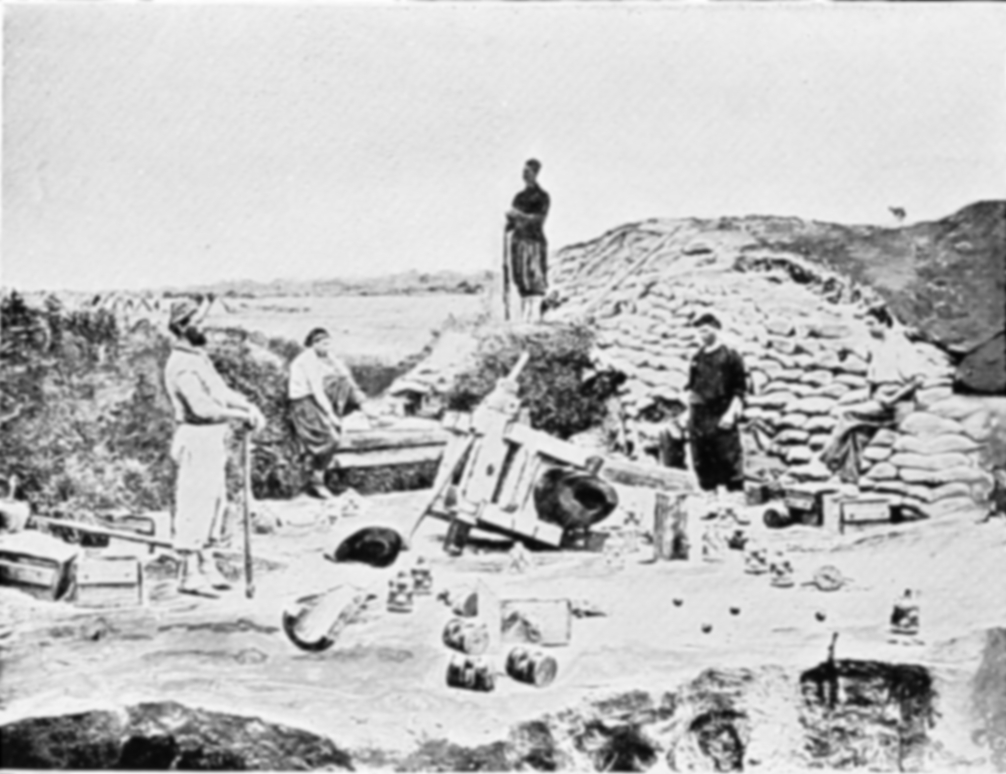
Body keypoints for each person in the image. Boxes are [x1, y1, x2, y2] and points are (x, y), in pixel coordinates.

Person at [163, 296, 266, 597]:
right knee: (194, 504)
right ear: (182, 326)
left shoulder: (198, 358)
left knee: (214, 502)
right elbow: (203, 408)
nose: (204, 327)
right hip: (195, 438)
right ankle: (189, 574)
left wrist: (248, 406)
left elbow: (220, 392)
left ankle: (207, 565)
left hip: (211, 439)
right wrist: (240, 416)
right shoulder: (182, 364)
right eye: (198, 323)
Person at [820, 306, 924, 483]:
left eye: (871, 324)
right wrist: (847, 349)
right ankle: (848, 477)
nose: (868, 328)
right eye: (866, 324)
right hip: (879, 399)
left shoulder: (901, 345)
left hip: (896, 402)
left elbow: (917, 380)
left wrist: (892, 399)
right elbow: (869, 357)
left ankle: (826, 458)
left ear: (884, 323)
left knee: (847, 415)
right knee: (857, 435)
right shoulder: (878, 345)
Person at [288, 327, 373, 499]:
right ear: (314, 344)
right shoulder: (308, 360)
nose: (328, 348)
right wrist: (330, 415)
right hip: (303, 404)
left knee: (343, 382)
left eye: (329, 344)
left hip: (313, 400)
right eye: (324, 344)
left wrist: (334, 360)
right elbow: (317, 391)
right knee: (331, 439)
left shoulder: (320, 356)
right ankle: (317, 481)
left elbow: (344, 374)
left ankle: (368, 412)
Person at [682, 313, 747, 493]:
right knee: (702, 458)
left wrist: (731, 413)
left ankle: (734, 499)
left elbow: (739, 390)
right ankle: (710, 498)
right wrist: (688, 412)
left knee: (728, 457)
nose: (702, 335)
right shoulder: (697, 357)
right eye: (699, 331)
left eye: (706, 330)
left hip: (721, 413)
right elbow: (692, 387)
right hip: (699, 416)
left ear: (716, 329)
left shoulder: (730, 356)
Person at [506, 159, 550, 323]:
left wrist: (519, 216)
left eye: (528, 172)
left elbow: (539, 219)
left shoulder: (542, 196)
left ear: (535, 173)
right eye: (523, 172)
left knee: (534, 278)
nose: (524, 175)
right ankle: (524, 319)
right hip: (518, 241)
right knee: (520, 279)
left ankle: (535, 318)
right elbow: (512, 224)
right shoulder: (518, 197)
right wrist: (509, 221)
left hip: (534, 242)